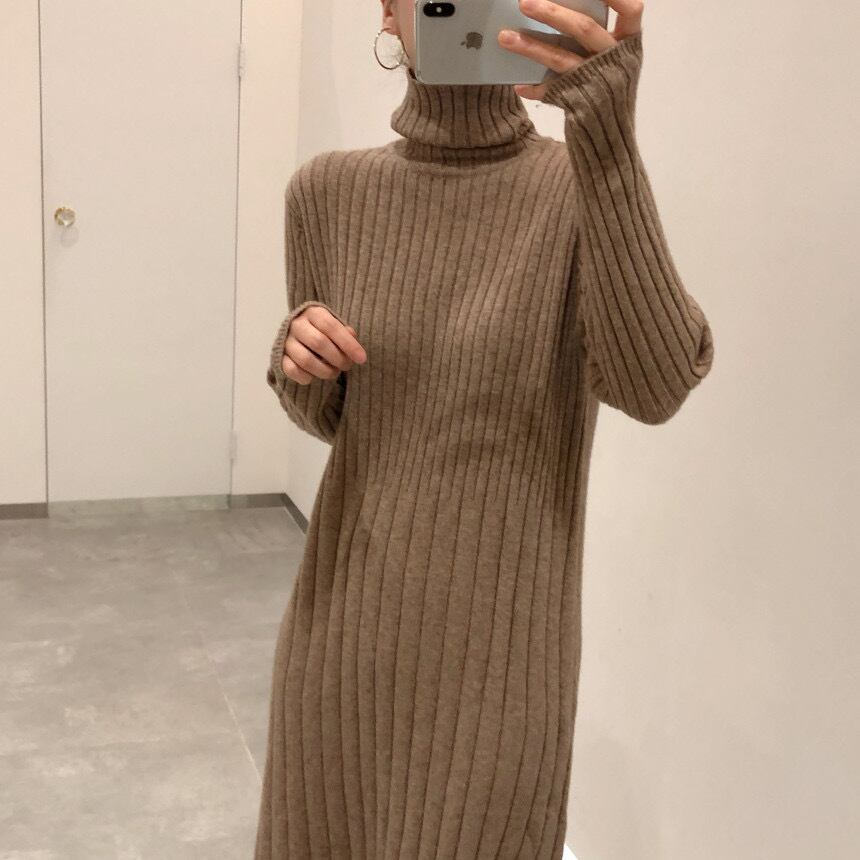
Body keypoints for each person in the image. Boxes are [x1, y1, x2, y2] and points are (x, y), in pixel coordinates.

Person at [255, 0, 714, 856]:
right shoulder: (325, 190)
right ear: (387, 12)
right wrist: (300, 358)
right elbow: (335, 420)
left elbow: (655, 386)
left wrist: (609, 137)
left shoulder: (578, 185)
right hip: (341, 639)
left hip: (503, 667)